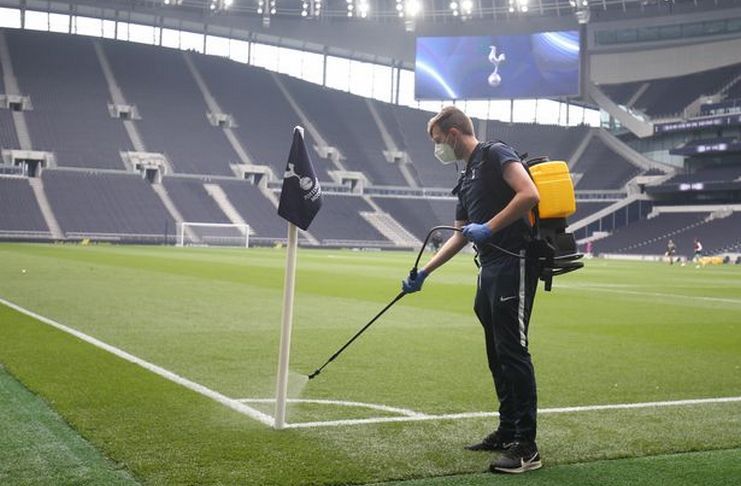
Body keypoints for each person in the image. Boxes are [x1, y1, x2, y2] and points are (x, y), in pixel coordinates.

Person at [402, 106, 542, 474]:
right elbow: (462, 233)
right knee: (496, 351)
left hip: (515, 260)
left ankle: (526, 447)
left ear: (452, 134)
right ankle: (507, 429)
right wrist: (424, 273)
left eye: (437, 141)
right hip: (490, 267)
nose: (437, 149)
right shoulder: (464, 180)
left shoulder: (496, 152)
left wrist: (491, 227)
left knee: (513, 351)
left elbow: (529, 194)